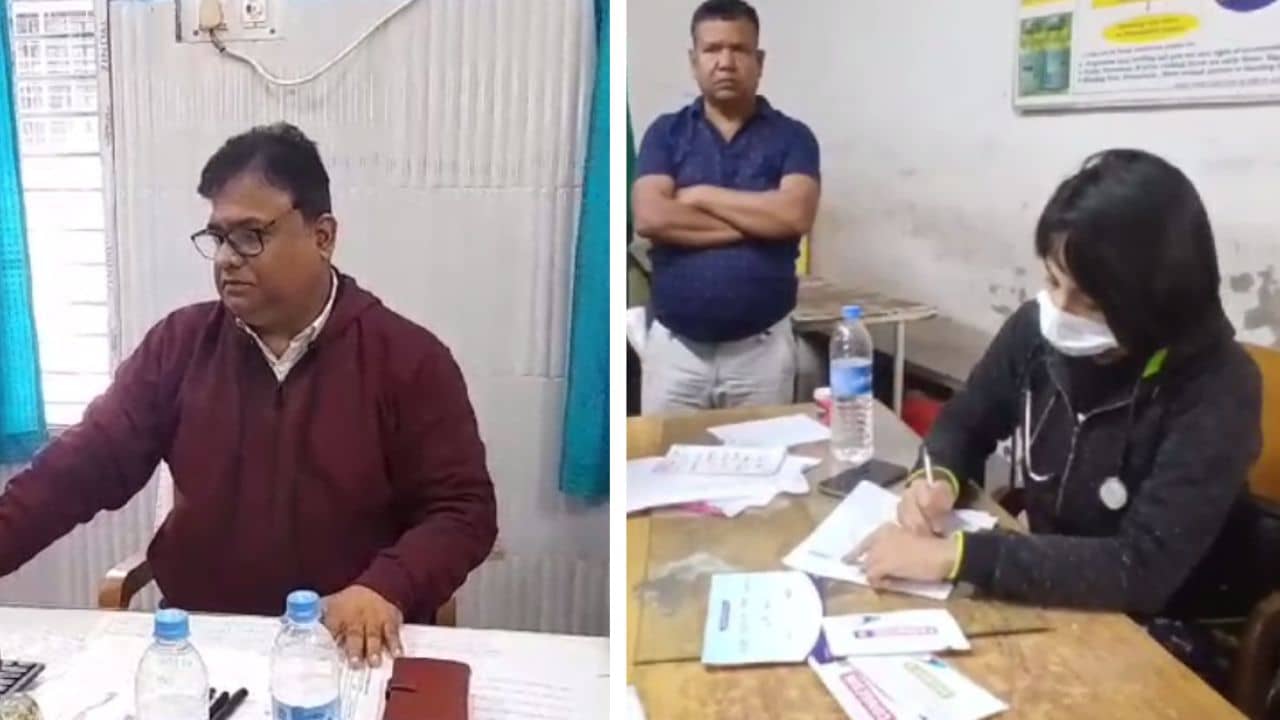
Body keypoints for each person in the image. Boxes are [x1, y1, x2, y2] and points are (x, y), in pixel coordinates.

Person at [0, 123, 497, 666]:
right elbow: (78, 471)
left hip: (348, 647)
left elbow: (463, 512)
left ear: (323, 236)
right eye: (218, 238)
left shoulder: (407, 359)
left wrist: (387, 585)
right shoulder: (179, 346)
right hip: (205, 645)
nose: (226, 259)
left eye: (250, 235)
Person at [852, 149, 1262, 686]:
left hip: (1171, 624)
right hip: (1055, 591)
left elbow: (1142, 569)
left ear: (1154, 301)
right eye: (1052, 281)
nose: (1061, 313)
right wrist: (937, 478)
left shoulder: (1217, 386)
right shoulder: (1036, 330)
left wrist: (956, 557)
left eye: (1090, 302)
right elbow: (965, 421)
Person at [632, 0, 820, 414]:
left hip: (761, 354)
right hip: (676, 353)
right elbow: (650, 217)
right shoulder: (666, 133)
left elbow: (795, 216)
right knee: (663, 457)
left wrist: (700, 195)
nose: (726, 62)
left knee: (761, 456)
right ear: (694, 60)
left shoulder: (793, 138)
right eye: (712, 49)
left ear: (759, 61)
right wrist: (760, 222)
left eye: (739, 49)